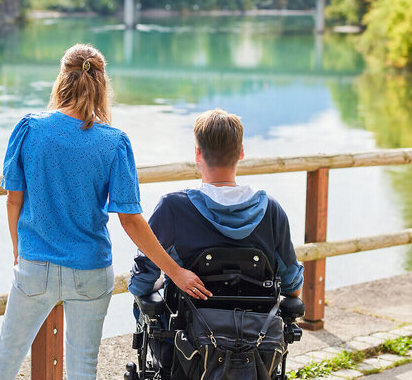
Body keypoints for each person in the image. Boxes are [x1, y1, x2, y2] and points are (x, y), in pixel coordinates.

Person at [0, 44, 212, 380]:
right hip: (90, 271)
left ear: (62, 78)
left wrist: (18, 249)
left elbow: (14, 199)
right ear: (103, 84)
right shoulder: (114, 142)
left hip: (35, 266)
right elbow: (131, 220)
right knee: (84, 369)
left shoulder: (29, 129)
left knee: (6, 360)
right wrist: (174, 271)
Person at [129, 108, 304, 306]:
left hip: (188, 323)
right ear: (241, 152)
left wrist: (168, 276)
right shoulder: (271, 211)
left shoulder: (173, 208)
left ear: (198, 153)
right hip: (257, 323)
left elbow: (140, 282)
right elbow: (292, 285)